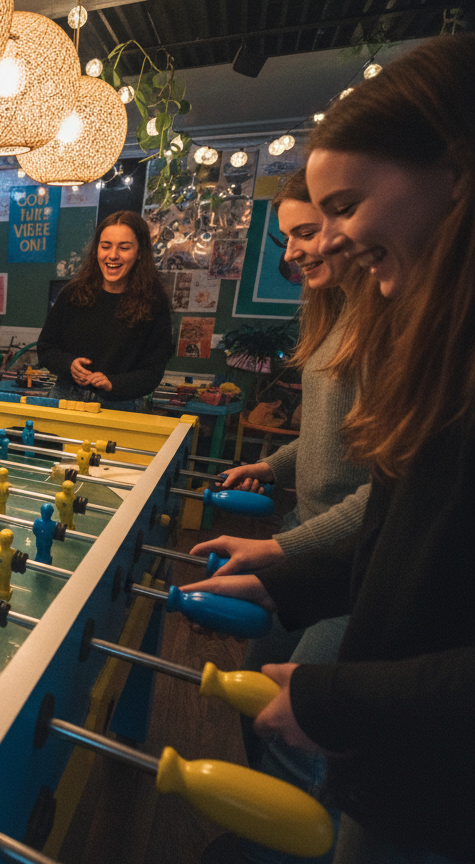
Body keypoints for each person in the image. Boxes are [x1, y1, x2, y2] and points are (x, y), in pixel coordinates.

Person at [186, 35, 475, 864]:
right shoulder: (438, 336)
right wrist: (285, 574)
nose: (332, 241)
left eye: (344, 207)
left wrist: (343, 699)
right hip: (400, 766)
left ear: (455, 170)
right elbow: (400, 524)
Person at [193, 169, 379, 864]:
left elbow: (383, 493)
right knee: (261, 699)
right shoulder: (329, 313)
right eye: (290, 235)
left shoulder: (389, 323)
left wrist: (281, 552)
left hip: (348, 568)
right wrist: (272, 467)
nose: (296, 250)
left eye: (307, 232)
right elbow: (336, 435)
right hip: (306, 544)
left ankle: (290, 849)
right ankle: (263, 830)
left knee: (301, 725)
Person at [37, 211, 172, 411]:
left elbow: (152, 372)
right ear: (96, 250)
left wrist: (113, 384)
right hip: (66, 398)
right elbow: (46, 348)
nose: (113, 255)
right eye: (105, 246)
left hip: (120, 405)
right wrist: (69, 364)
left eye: (124, 247)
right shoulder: (72, 294)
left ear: (140, 252)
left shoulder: (154, 303)